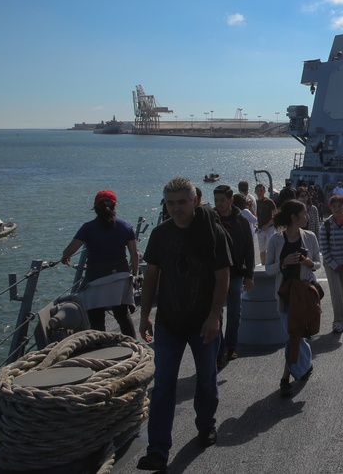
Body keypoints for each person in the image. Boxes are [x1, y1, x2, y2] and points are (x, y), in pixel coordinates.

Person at [137, 177, 230, 471]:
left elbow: (222, 277)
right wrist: (144, 314)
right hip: (169, 322)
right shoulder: (160, 234)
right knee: (163, 385)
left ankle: (206, 425)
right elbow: (151, 275)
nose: (176, 208)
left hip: (204, 321)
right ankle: (158, 450)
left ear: (195, 201)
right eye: (170, 203)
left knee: (206, 379)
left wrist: (215, 316)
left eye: (182, 202)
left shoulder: (213, 233)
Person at [59, 189, 138, 337]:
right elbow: (134, 254)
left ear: (95, 208)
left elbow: (70, 249)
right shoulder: (126, 226)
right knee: (122, 315)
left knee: (96, 319)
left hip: (95, 278)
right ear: (114, 206)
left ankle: (101, 348)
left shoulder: (88, 228)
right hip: (120, 277)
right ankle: (133, 343)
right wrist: (134, 276)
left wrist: (65, 257)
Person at [263, 199, 321, 397]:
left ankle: (290, 374)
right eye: (304, 213)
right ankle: (296, 371)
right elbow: (268, 269)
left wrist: (308, 263)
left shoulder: (310, 237)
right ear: (294, 217)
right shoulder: (276, 240)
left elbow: (318, 263)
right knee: (292, 335)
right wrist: (283, 263)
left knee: (296, 335)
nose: (307, 216)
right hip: (285, 294)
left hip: (304, 293)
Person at [212, 185, 255, 368]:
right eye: (216, 200)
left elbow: (248, 248)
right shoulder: (210, 220)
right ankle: (220, 349)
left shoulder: (241, 221)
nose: (219, 204)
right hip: (214, 273)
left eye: (222, 200)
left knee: (234, 312)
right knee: (216, 313)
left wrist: (249, 275)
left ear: (231, 200)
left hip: (236, 272)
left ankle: (230, 346)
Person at [318, 194, 343, 333]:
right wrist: (334, 264)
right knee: (336, 293)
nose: (337, 209)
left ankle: (340, 316)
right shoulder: (326, 226)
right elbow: (323, 247)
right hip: (331, 265)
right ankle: (339, 320)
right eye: (334, 206)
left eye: (340, 206)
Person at [254, 183, 276, 264]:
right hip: (260, 229)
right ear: (255, 191)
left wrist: (267, 225)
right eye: (258, 190)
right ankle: (263, 264)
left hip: (269, 228)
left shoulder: (269, 202)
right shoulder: (255, 203)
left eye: (261, 190)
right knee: (262, 249)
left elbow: (275, 215)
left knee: (270, 248)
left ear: (265, 191)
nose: (260, 192)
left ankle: (270, 264)